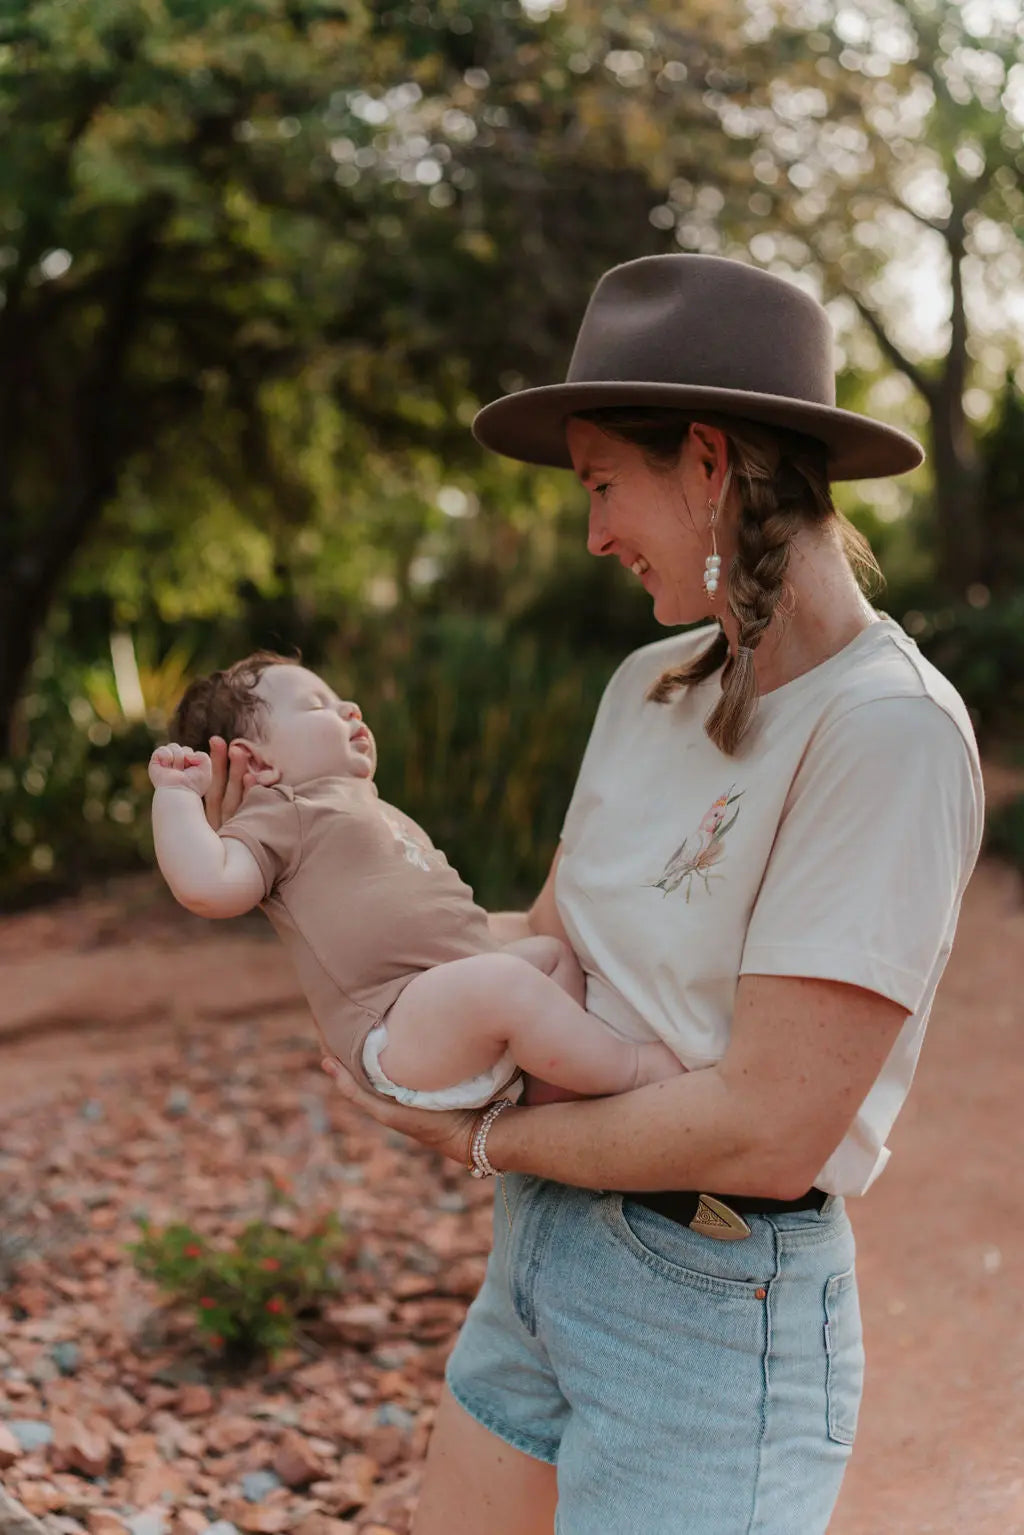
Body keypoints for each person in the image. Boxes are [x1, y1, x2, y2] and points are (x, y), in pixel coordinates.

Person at [205, 255, 985, 1534]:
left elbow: (766, 1129)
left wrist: (472, 1136)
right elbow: (543, 943)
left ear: (706, 461)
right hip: (543, 1252)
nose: (591, 533)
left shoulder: (884, 734)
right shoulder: (647, 687)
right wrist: (323, 862)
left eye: (601, 485)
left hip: (710, 1309)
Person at [148, 656, 681, 1110]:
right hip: (398, 1023)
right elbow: (208, 884)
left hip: (458, 995)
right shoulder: (281, 813)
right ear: (256, 764)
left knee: (549, 956)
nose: (349, 708)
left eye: (340, 699)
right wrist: (176, 795)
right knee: (508, 985)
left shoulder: (371, 807)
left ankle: (551, 1101)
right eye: (317, 706)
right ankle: (631, 1070)